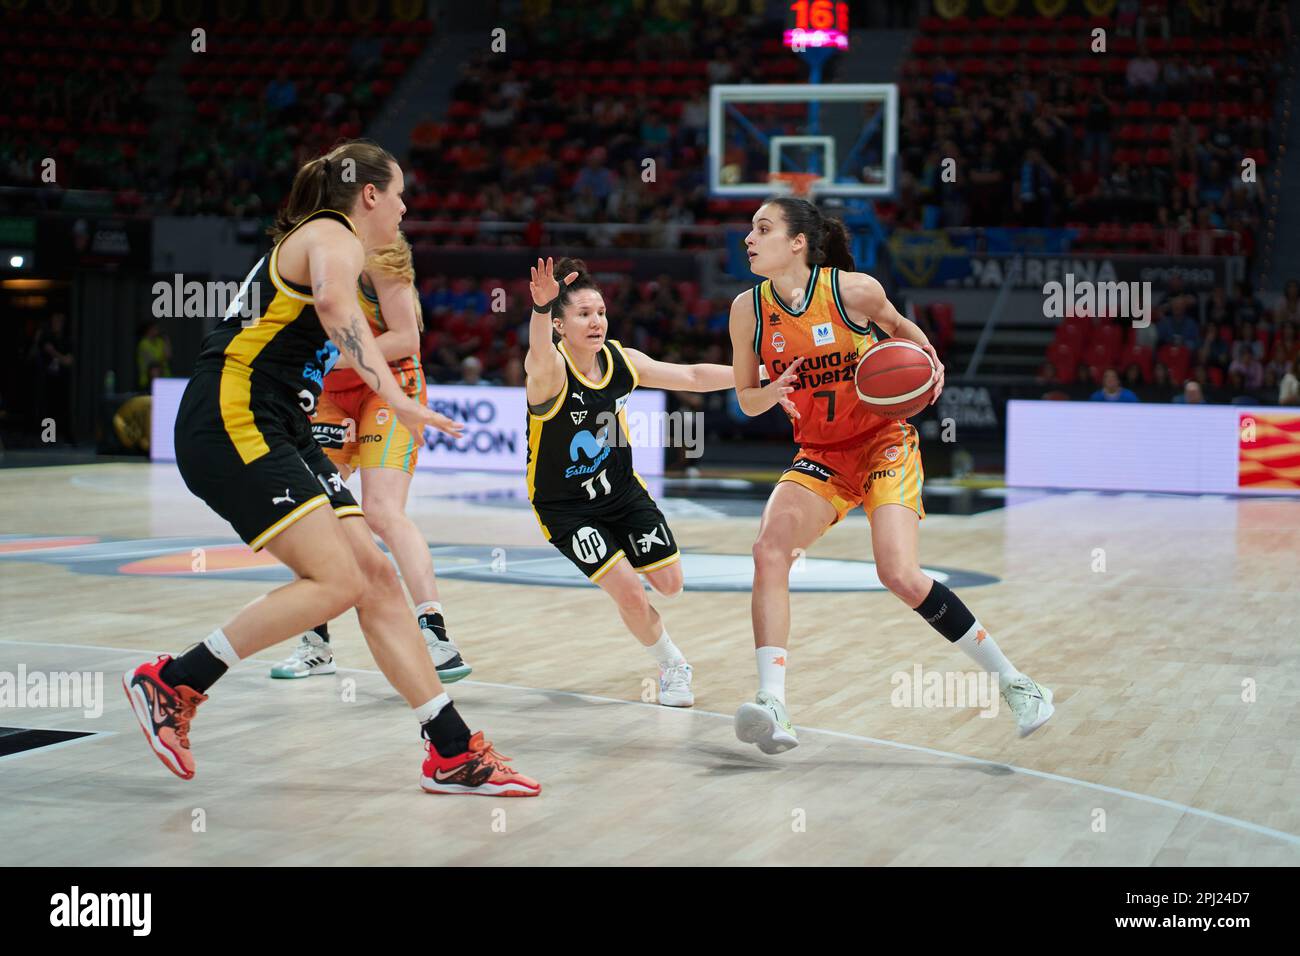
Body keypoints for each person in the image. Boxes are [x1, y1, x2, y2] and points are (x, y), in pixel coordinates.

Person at [122, 140, 538, 796]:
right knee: (338, 577)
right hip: (233, 414)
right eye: (398, 193)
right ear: (368, 194)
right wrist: (397, 397)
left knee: (373, 575)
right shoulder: (330, 233)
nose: (404, 207)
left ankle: (453, 750)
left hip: (278, 422)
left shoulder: (341, 243)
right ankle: (174, 681)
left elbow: (353, 319)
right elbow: (338, 310)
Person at [727, 197, 1054, 753]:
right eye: (750, 231)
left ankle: (1017, 683)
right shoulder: (747, 311)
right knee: (768, 551)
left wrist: (929, 367)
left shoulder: (854, 291)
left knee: (899, 573)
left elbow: (907, 335)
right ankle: (773, 703)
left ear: (798, 241)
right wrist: (770, 393)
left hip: (882, 444)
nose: (748, 240)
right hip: (821, 455)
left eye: (763, 229)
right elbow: (746, 400)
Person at [525, 257, 733, 707]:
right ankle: (674, 666)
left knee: (670, 585)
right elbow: (537, 351)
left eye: (599, 312)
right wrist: (539, 310)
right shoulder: (551, 371)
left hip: (622, 492)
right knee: (629, 592)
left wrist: (758, 378)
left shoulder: (623, 360)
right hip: (566, 509)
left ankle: (644, 592)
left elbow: (693, 376)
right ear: (560, 325)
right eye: (583, 314)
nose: (596, 321)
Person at [269, 232, 472, 684]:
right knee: (314, 513)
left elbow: (405, 339)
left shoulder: (381, 256)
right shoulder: (307, 251)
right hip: (330, 397)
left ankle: (435, 634)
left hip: (390, 387)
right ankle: (316, 643)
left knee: (381, 511)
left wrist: (340, 360)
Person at [137, 321, 172, 389]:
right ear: (149, 330)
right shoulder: (143, 344)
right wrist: (162, 359)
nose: (157, 331)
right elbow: (153, 363)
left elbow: (168, 355)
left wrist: (166, 341)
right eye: (154, 329)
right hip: (148, 381)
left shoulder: (160, 341)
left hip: (165, 378)